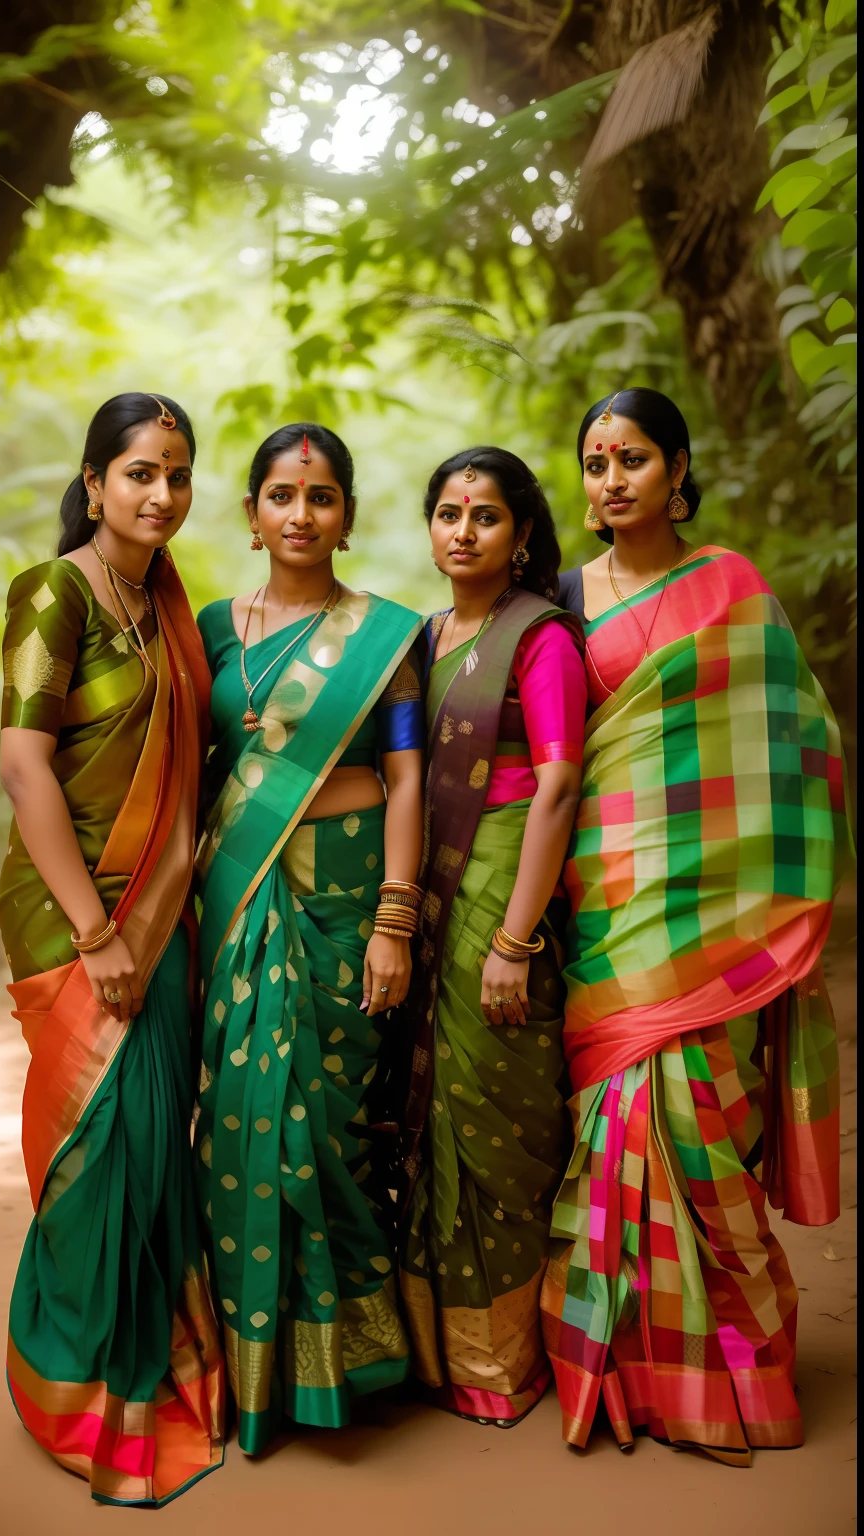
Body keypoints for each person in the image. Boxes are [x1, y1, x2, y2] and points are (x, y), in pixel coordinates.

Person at [546, 387, 851, 1464]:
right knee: (616, 1126)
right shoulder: (557, 599)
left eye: (632, 457)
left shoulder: (733, 590)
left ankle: (739, 1358)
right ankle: (629, 1362)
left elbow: (797, 744)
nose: (612, 479)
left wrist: (777, 886)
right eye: (594, 462)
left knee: (705, 1122)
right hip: (603, 897)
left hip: (716, 909)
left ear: (679, 470)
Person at [0, 392, 224, 1506]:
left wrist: (140, 931)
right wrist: (95, 934)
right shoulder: (59, 594)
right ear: (94, 485)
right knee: (91, 1165)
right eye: (140, 472)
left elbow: (194, 792)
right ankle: (76, 1390)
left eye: (177, 474)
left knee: (151, 1153)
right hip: (75, 925)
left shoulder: (168, 607)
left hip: (160, 922)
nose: (161, 494)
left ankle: (153, 1373)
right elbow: (25, 765)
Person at [195, 422, 424, 1454]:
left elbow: (410, 776)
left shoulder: (389, 636)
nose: (300, 513)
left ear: (346, 513)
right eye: (281, 495)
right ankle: (256, 1375)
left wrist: (394, 918)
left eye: (321, 495)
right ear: (250, 514)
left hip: (346, 898)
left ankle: (352, 1363)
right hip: (241, 902)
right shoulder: (207, 629)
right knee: (244, 1121)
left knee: (330, 1127)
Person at [398, 446, 586, 1427]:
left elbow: (557, 785)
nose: (462, 531)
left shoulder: (540, 638)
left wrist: (514, 941)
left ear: (520, 536)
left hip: (502, 894)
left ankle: (500, 1361)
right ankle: (437, 1351)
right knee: (429, 1117)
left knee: (494, 1114)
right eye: (447, 513)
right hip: (427, 897)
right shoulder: (423, 638)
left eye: (485, 516)